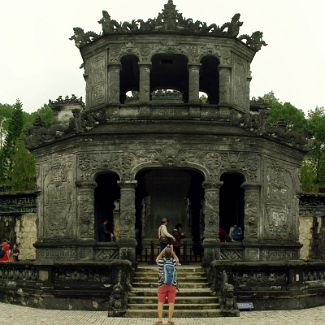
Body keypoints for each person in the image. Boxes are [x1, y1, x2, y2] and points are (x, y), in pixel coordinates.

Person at [155, 245, 179, 325]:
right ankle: (169, 320)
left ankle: (160, 320)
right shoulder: (173, 262)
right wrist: (172, 252)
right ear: (171, 254)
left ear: (164, 254)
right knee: (171, 303)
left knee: (160, 302)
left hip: (162, 285)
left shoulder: (161, 262)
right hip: (172, 285)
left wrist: (163, 250)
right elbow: (177, 259)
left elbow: (157, 258)